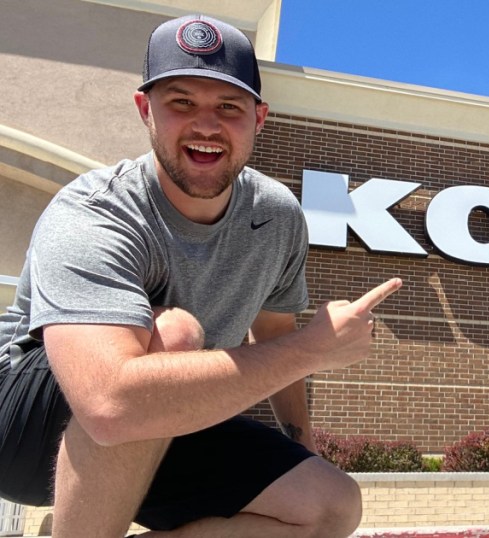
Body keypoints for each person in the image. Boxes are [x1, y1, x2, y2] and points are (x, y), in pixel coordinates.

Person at [0, 14, 402, 537]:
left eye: (228, 107)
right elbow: (108, 404)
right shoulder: (96, 212)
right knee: (174, 334)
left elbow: (274, 332)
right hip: (22, 427)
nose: (207, 125)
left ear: (259, 119)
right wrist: (315, 348)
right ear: (146, 110)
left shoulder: (276, 216)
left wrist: (301, 445)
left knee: (330, 506)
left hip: (159, 423)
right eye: (182, 102)